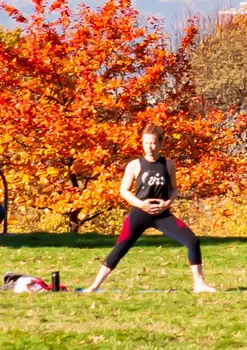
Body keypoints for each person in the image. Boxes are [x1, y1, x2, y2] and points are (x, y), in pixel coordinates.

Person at [81, 123, 216, 293]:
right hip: (140, 213)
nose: (149, 147)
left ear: (160, 144)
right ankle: (94, 286)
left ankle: (199, 284)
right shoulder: (134, 165)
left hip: (162, 215)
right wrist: (141, 204)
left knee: (192, 241)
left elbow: (174, 189)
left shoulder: (168, 165)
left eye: (153, 143)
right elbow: (123, 190)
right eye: (146, 143)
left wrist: (168, 203)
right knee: (121, 247)